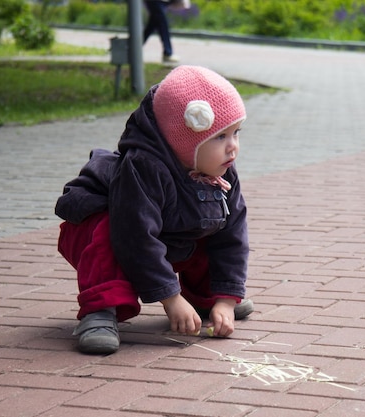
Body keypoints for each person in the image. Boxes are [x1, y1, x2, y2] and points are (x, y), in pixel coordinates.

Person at [55, 65, 254, 354]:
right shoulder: (144, 168)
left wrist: (225, 298)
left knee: (210, 227)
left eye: (236, 133)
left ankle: (205, 296)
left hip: (169, 236)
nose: (233, 147)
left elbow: (234, 237)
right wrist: (170, 299)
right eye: (220, 137)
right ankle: (100, 312)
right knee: (107, 233)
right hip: (108, 233)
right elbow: (136, 238)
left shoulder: (221, 173)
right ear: (183, 141)